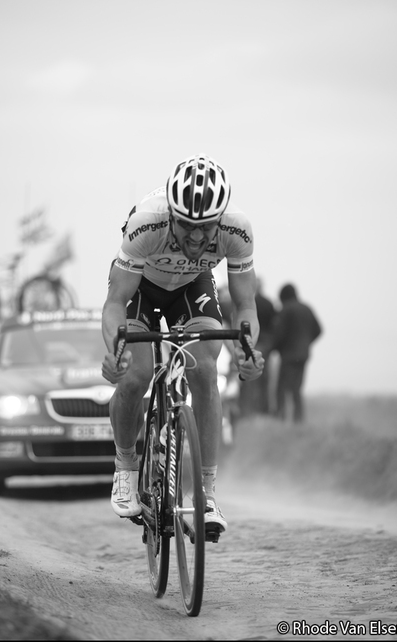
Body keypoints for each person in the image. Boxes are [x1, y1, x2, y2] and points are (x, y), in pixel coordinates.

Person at [101, 153, 264, 535]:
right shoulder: (146, 224)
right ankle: (125, 466)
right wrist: (115, 351)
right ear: (171, 214)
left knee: (205, 370)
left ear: (220, 219)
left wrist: (247, 350)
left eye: (205, 228)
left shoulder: (237, 230)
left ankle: (205, 495)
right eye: (186, 224)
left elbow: (245, 305)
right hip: (142, 287)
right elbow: (114, 304)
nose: (195, 236)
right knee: (136, 376)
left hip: (192, 287)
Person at [272, 283, 322, 423]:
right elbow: (319, 330)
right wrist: (307, 342)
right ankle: (298, 419)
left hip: (288, 355)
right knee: (296, 388)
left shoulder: (286, 310)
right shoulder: (307, 309)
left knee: (282, 387)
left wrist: (274, 348)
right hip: (303, 354)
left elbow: (279, 334)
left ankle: (281, 417)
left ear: (283, 297)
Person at [238, 277, 276, 416]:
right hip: (265, 344)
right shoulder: (268, 303)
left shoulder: (246, 304)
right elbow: (274, 325)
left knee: (247, 376)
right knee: (264, 377)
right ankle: (264, 409)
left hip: (251, 341)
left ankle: (246, 410)